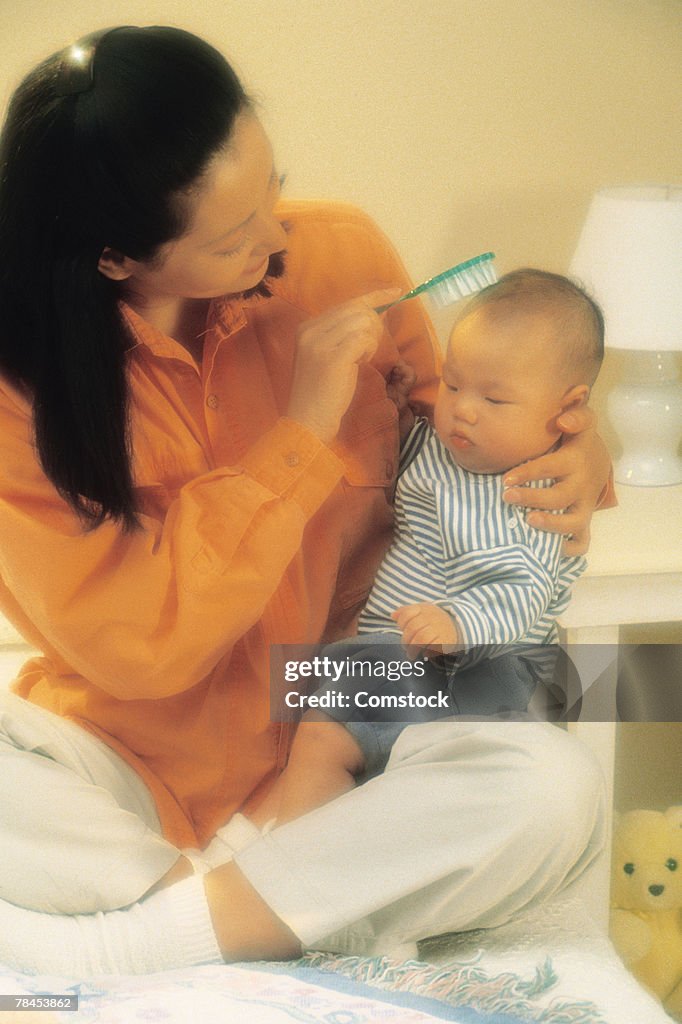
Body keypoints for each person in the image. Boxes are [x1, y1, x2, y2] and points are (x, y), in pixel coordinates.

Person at [0, 26, 612, 975]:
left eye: (273, 191)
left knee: (554, 789)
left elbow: (466, 428)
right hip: (131, 757)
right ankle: (252, 907)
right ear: (116, 257)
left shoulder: (343, 251)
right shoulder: (17, 390)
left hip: (356, 711)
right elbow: (141, 642)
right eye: (236, 238)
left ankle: (146, 939)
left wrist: (575, 447)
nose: (279, 237)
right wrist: (299, 434)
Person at [271, 268, 605, 825]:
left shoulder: (537, 495)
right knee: (321, 738)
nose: (464, 409)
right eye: (453, 384)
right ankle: (289, 853)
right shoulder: (440, 447)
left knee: (443, 784)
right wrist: (399, 410)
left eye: (495, 399)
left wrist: (457, 623)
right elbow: (398, 464)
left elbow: (525, 590)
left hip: (482, 666)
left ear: (567, 409)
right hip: (393, 652)